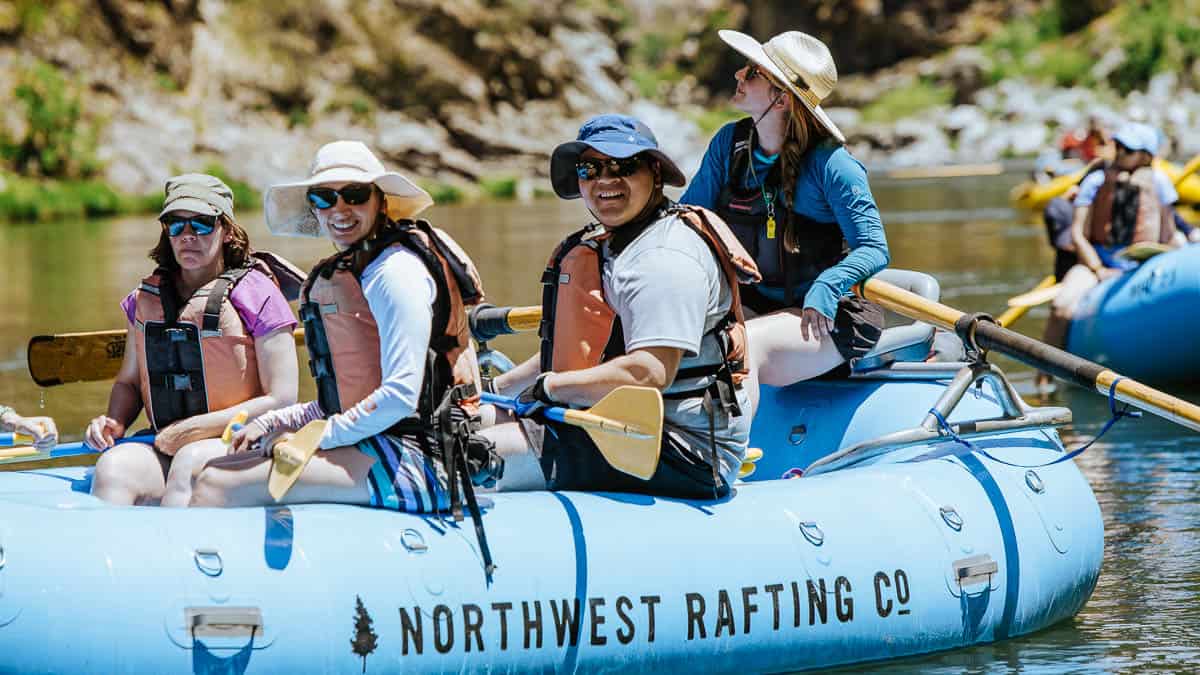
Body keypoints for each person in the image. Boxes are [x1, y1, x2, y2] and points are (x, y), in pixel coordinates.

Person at [190, 142, 497, 530]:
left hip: (426, 457)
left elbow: (401, 396)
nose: (339, 209)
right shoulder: (360, 269)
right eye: (324, 198)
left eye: (354, 195)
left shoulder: (395, 274)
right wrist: (274, 423)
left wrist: (314, 437)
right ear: (314, 208)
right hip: (378, 438)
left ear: (380, 202)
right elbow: (345, 399)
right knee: (207, 466)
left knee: (218, 484)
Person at [483, 114, 758, 499]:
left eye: (624, 166)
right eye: (590, 168)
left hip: (682, 448)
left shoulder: (665, 257)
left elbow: (649, 372)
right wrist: (496, 387)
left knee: (473, 452)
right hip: (609, 420)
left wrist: (552, 388)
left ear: (656, 174)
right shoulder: (614, 243)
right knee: (466, 418)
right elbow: (586, 352)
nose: (605, 180)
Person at [680, 30, 889, 394]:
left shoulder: (834, 166)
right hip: (756, 306)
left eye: (752, 71)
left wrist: (829, 283)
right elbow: (687, 222)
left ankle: (729, 450)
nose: (738, 76)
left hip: (828, 317)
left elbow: (874, 248)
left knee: (741, 344)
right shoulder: (728, 146)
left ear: (780, 97)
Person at [85, 174, 300, 506]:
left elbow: (283, 398)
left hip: (241, 440)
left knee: (189, 462)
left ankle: (176, 554)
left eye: (201, 224)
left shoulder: (260, 294)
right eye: (175, 225)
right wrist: (114, 421)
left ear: (226, 230)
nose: (187, 236)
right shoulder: (145, 299)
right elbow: (128, 382)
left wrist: (191, 431)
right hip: (166, 440)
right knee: (114, 467)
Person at [1038, 122, 1180, 390]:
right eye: (1119, 146)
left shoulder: (1160, 182)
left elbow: (1169, 233)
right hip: (1098, 263)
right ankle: (1044, 380)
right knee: (1061, 307)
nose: (1120, 152)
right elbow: (1078, 235)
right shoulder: (1095, 180)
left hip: (1142, 263)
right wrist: (1098, 268)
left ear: (1146, 156)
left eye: (1128, 149)